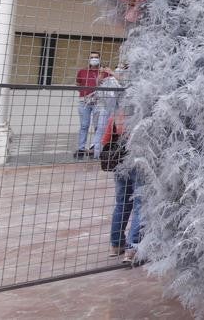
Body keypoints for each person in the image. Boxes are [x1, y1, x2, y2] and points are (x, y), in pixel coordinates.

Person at [103, 108, 142, 264]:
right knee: (140, 204)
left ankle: (116, 244)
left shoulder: (117, 114)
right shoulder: (142, 114)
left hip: (119, 163)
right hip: (139, 163)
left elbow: (105, 141)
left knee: (122, 204)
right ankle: (132, 248)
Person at [75, 50, 111, 159]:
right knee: (84, 125)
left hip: (99, 102)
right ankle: (81, 148)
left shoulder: (104, 72)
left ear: (99, 59)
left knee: (98, 126)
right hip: (84, 102)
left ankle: (95, 148)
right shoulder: (82, 71)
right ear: (89, 59)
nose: (94, 59)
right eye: (92, 57)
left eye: (96, 57)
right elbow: (78, 84)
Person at [92, 62, 127, 157]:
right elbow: (98, 83)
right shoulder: (109, 79)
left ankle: (117, 153)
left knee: (117, 132)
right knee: (100, 129)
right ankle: (97, 153)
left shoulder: (126, 79)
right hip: (105, 108)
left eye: (121, 67)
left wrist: (111, 72)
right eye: (117, 67)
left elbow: (124, 82)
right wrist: (101, 74)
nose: (118, 69)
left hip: (119, 111)